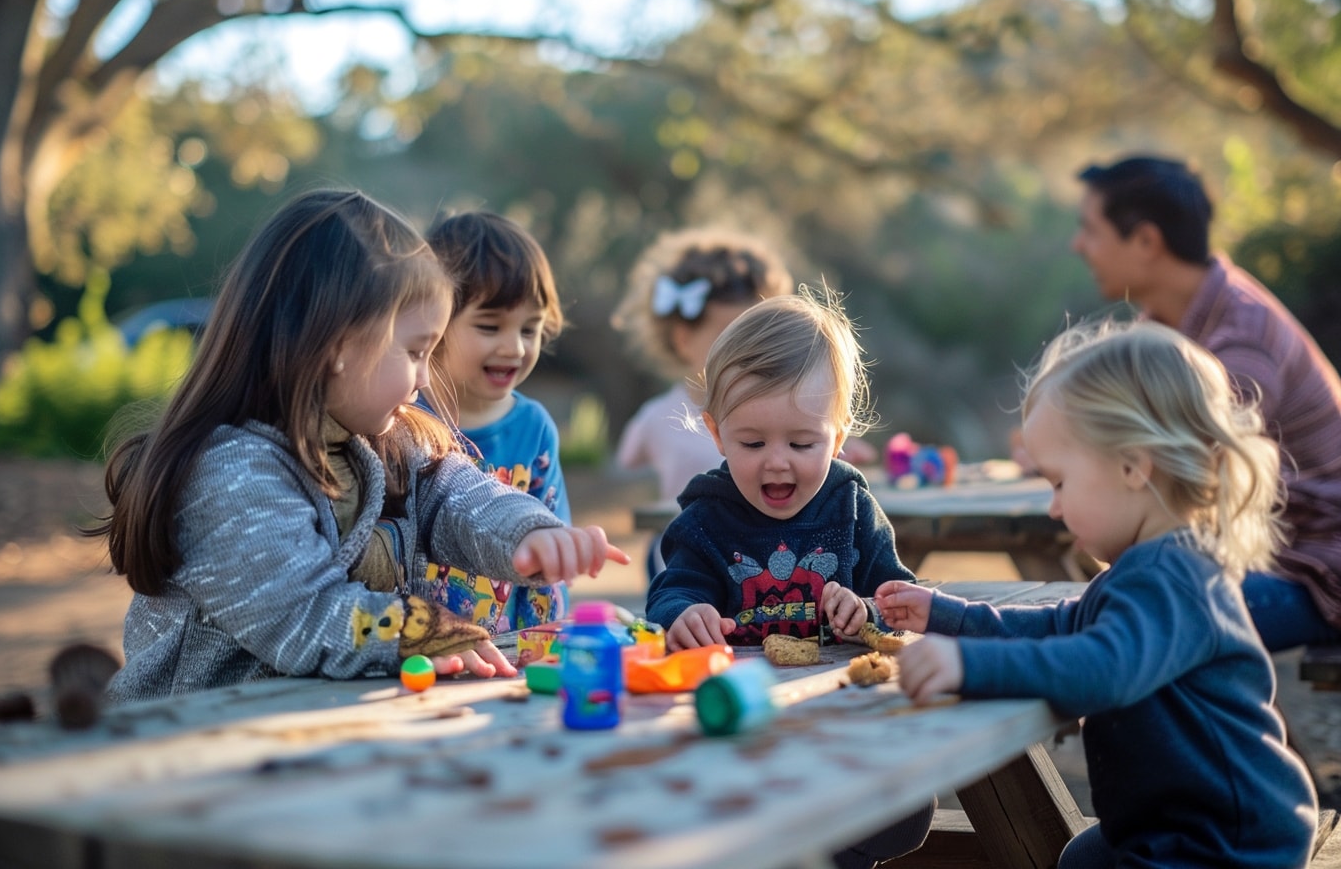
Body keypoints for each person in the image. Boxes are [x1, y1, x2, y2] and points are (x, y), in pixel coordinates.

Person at [95, 189, 627, 702]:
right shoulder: (233, 475)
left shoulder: (385, 442)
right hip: (186, 743)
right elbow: (298, 614)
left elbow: (460, 496)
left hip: (300, 731)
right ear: (338, 346)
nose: (424, 380)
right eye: (416, 351)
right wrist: (419, 630)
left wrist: (527, 534)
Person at [875, 321, 1318, 868]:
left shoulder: (1172, 577)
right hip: (1171, 823)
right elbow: (1067, 627)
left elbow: (1102, 666)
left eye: (1060, 483)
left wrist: (969, 665)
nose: (1053, 508)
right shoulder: (1149, 565)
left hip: (1222, 844)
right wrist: (951, 617)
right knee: (1079, 857)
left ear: (1132, 467)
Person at [645, 286, 931, 869]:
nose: (777, 461)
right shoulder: (706, 519)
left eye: (802, 443)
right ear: (717, 432)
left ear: (840, 435)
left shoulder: (850, 508)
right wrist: (684, 614)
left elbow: (899, 600)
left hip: (841, 717)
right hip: (741, 723)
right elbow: (673, 591)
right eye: (752, 442)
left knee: (911, 812)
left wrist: (868, 613)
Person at [1072, 154, 1341, 651]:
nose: (1078, 244)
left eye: (1091, 229)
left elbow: (1186, 484)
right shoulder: (1162, 330)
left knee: (1136, 618)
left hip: (1316, 572)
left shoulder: (1241, 339)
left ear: (1147, 241)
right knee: (1115, 608)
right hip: (1263, 559)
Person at [612, 227, 872, 578]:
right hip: (691, 563)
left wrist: (825, 448)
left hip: (767, 552)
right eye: (732, 333)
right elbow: (626, 462)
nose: (748, 349)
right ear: (684, 339)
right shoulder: (657, 417)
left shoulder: (790, 424)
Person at [415, 210, 571, 634]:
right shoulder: (404, 422)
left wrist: (543, 644)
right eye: (489, 326)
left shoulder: (533, 427)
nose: (514, 348)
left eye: (530, 329)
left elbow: (551, 555)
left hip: (508, 657)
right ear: (435, 324)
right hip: (424, 651)